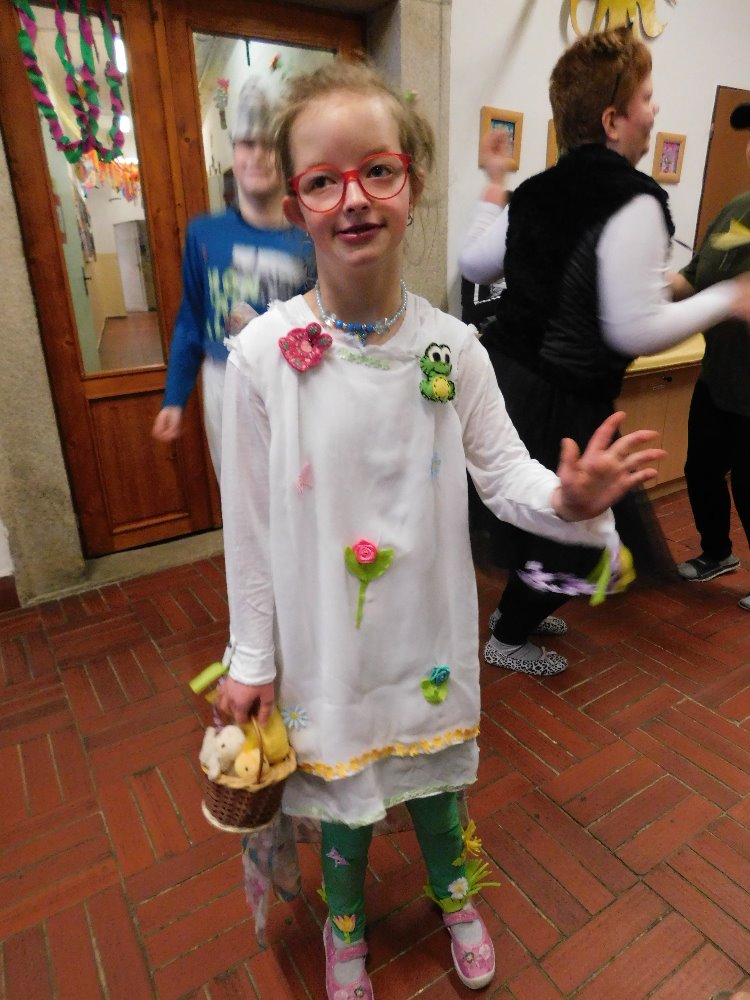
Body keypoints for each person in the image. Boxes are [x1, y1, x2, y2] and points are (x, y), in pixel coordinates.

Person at [215, 58, 665, 999]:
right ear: (296, 205)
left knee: (433, 789)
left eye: (377, 170)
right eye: (323, 180)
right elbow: (247, 526)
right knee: (344, 805)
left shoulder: (454, 350)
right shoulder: (261, 360)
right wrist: (251, 657)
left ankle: (455, 894)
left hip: (423, 635)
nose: (353, 198)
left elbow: (505, 473)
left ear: (412, 183)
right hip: (327, 646)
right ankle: (345, 928)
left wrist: (568, 499)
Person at [459, 28, 750, 677]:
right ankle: (509, 636)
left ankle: (515, 615)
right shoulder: (635, 201)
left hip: (502, 381)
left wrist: (496, 181)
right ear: (614, 120)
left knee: (546, 519)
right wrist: (728, 298)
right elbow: (633, 331)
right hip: (561, 397)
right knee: (580, 535)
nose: (655, 108)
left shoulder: (537, 190)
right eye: (646, 97)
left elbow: (475, 263)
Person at [151, 79, 311, 478]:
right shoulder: (204, 234)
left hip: (295, 382)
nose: (258, 156)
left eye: (270, 144)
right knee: (240, 494)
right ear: (234, 151)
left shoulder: (310, 238)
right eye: (247, 144)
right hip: (225, 380)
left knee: (299, 489)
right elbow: (191, 319)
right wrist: (174, 397)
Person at [672, 102, 750, 610]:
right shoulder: (738, 208)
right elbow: (695, 274)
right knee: (700, 470)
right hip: (718, 378)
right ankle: (717, 553)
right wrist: (651, 288)